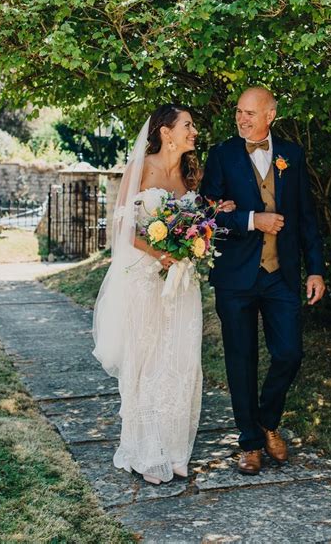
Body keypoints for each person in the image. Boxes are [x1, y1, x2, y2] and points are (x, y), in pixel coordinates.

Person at [92, 104, 234, 485]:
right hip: (144, 276)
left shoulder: (192, 174)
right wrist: (160, 253)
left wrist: (207, 224)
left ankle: (175, 451)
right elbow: (123, 229)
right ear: (166, 132)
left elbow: (197, 222)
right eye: (188, 125)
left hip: (180, 281)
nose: (194, 132)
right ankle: (144, 451)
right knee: (147, 361)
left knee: (181, 359)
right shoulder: (139, 169)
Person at [200, 87, 326, 475]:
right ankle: (250, 443)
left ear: (270, 114)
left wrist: (316, 268)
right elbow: (208, 217)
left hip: (281, 275)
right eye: (239, 112)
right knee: (241, 361)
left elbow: (306, 215)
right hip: (236, 276)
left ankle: (268, 420)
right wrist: (253, 219)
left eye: (250, 113)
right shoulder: (221, 155)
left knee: (290, 353)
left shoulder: (293, 155)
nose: (241, 119)